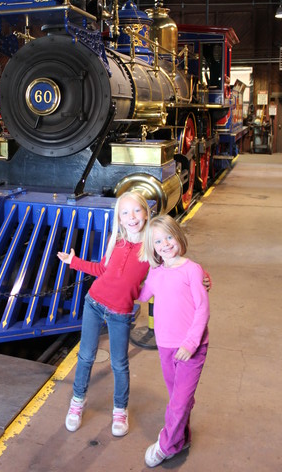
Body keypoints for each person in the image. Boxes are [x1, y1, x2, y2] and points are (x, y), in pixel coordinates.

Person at [57, 190, 151, 437]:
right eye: (125, 212)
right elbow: (101, 269)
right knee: (85, 356)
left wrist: (199, 279)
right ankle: (77, 401)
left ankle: (120, 409)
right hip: (94, 303)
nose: (131, 217)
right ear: (118, 218)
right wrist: (74, 262)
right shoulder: (116, 240)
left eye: (137, 211)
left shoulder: (152, 249)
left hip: (120, 312)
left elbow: (169, 273)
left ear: (146, 213)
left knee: (119, 364)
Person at [139, 214, 210, 468]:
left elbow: (202, 309)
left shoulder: (192, 270)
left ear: (178, 237)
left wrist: (190, 343)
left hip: (192, 347)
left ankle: (166, 445)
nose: (165, 244)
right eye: (158, 241)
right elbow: (140, 295)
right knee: (178, 399)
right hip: (166, 346)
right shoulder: (156, 274)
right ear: (152, 247)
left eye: (169, 237)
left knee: (179, 403)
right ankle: (183, 438)